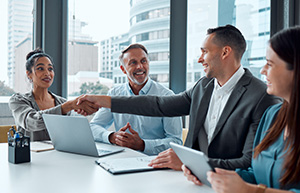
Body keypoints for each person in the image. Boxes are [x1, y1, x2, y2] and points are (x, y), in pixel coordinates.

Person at [77, 25, 279, 171]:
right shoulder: (204, 86)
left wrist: (189, 163)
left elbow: (249, 163)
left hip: (226, 188)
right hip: (188, 182)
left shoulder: (262, 97)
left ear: (225, 52)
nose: (200, 59)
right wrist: (105, 101)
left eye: (205, 52)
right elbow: (159, 105)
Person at [183, 26, 300, 193]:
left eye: (270, 64)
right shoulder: (272, 116)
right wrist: (207, 171)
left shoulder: (261, 101)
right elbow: (254, 172)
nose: (262, 71)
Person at [90, 44, 182, 155]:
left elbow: (176, 142)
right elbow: (93, 127)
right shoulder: (114, 94)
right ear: (123, 69)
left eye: (143, 61)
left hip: (155, 162)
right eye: (133, 62)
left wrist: (142, 145)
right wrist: (111, 137)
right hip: (122, 160)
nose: (140, 66)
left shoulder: (167, 96)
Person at [9, 48, 97, 141]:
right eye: (40, 69)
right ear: (29, 74)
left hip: (56, 154)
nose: (47, 73)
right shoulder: (18, 100)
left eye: (50, 69)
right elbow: (31, 122)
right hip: (30, 155)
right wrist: (67, 106)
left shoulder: (61, 102)